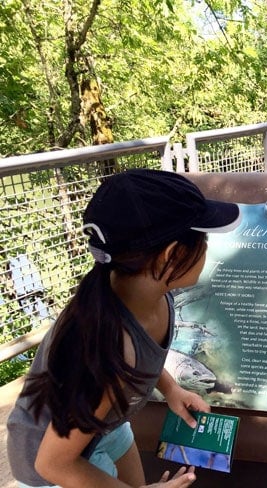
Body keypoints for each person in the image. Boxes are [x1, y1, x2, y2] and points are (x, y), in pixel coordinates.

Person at [6, 169, 241, 487]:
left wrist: (171, 389)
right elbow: (53, 464)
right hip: (52, 462)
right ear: (170, 255)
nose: (207, 246)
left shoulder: (150, 293)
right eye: (203, 239)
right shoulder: (111, 350)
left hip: (104, 425)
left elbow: (144, 353)